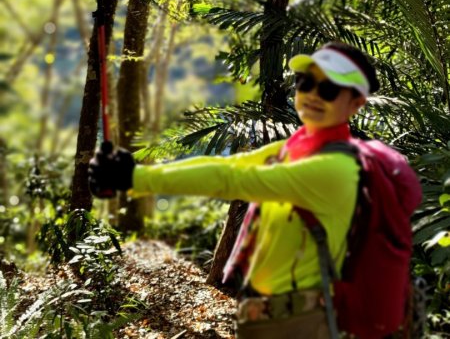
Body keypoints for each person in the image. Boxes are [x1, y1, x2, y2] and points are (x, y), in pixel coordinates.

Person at [89, 41, 380, 338]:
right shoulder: (292, 149)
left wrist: (133, 179)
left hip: (301, 321)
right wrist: (135, 173)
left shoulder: (333, 167)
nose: (313, 95)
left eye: (329, 89)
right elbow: (229, 165)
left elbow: (230, 179)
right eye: (305, 82)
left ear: (356, 103)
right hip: (266, 315)